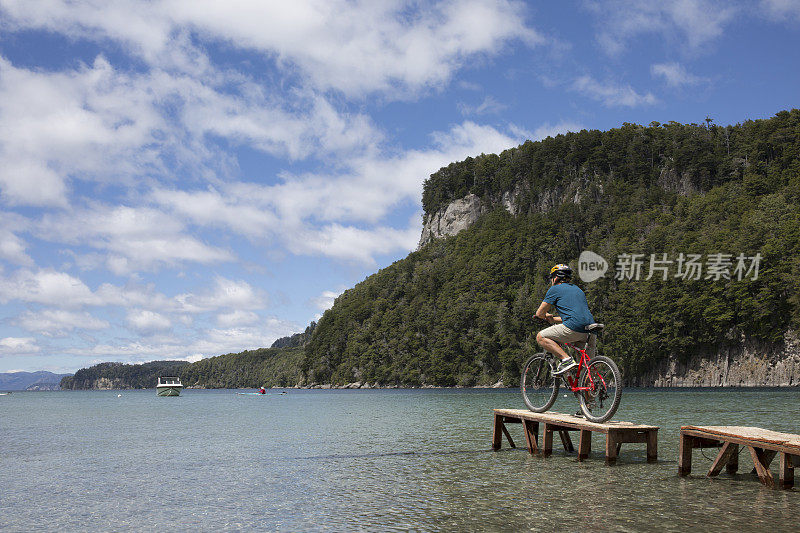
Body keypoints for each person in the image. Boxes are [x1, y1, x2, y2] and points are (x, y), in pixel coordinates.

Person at [534, 263, 596, 375]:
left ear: (556, 277)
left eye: (552, 278)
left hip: (574, 329)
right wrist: (553, 319)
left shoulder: (555, 289)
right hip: (590, 330)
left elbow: (539, 313)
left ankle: (566, 360)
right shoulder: (578, 289)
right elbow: (576, 316)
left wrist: (544, 316)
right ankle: (592, 389)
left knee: (540, 337)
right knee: (586, 371)